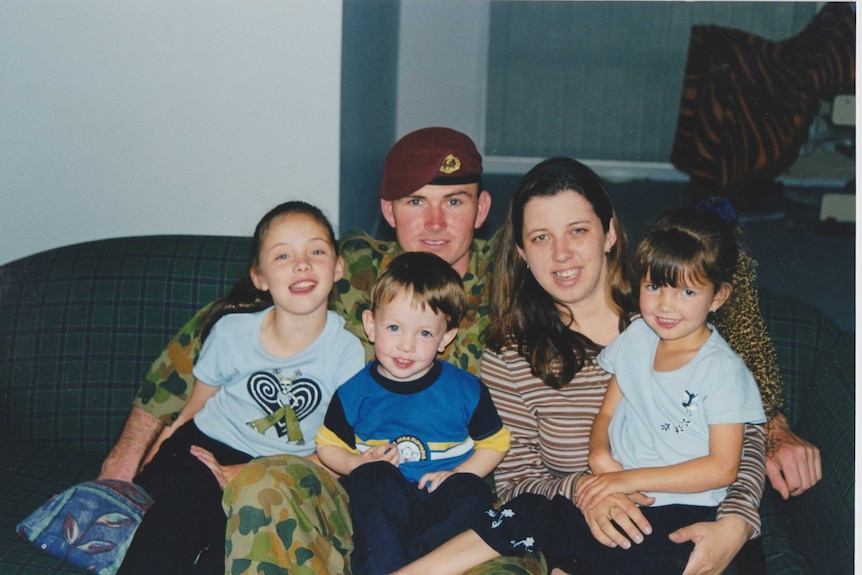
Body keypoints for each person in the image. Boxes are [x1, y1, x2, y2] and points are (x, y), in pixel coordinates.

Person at [99, 127, 818, 572]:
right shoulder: (351, 269)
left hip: (516, 506)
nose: (435, 220)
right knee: (247, 489)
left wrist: (747, 492)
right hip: (368, 479)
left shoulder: (645, 311)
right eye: (416, 200)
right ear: (387, 212)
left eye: (455, 199)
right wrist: (127, 458)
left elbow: (731, 386)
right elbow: (220, 330)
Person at [394, 202, 769, 575]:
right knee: (526, 514)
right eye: (654, 286)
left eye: (686, 293)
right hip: (611, 492)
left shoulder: (722, 369)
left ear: (718, 297)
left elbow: (724, 466)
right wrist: (600, 459)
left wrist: (623, 480)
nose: (666, 305)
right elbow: (606, 413)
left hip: (684, 508)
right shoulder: (638, 336)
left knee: (647, 558)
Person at [116, 201, 365, 574]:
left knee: (244, 543)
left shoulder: (346, 350)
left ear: (338, 267)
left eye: (317, 250)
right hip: (206, 449)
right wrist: (142, 471)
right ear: (259, 277)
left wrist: (252, 474)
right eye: (283, 255)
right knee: (173, 518)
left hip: (282, 470)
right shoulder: (232, 332)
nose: (302, 264)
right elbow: (192, 410)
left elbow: (343, 448)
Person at [316, 251, 511, 574]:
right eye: (394, 327)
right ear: (371, 325)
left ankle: (416, 560)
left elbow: (496, 443)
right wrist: (357, 463)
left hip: (440, 497)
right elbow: (327, 445)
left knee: (474, 491)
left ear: (445, 337)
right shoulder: (354, 393)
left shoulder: (466, 390)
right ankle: (381, 564)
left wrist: (459, 474)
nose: (407, 345)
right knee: (373, 478)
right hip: (382, 501)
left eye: (424, 333)